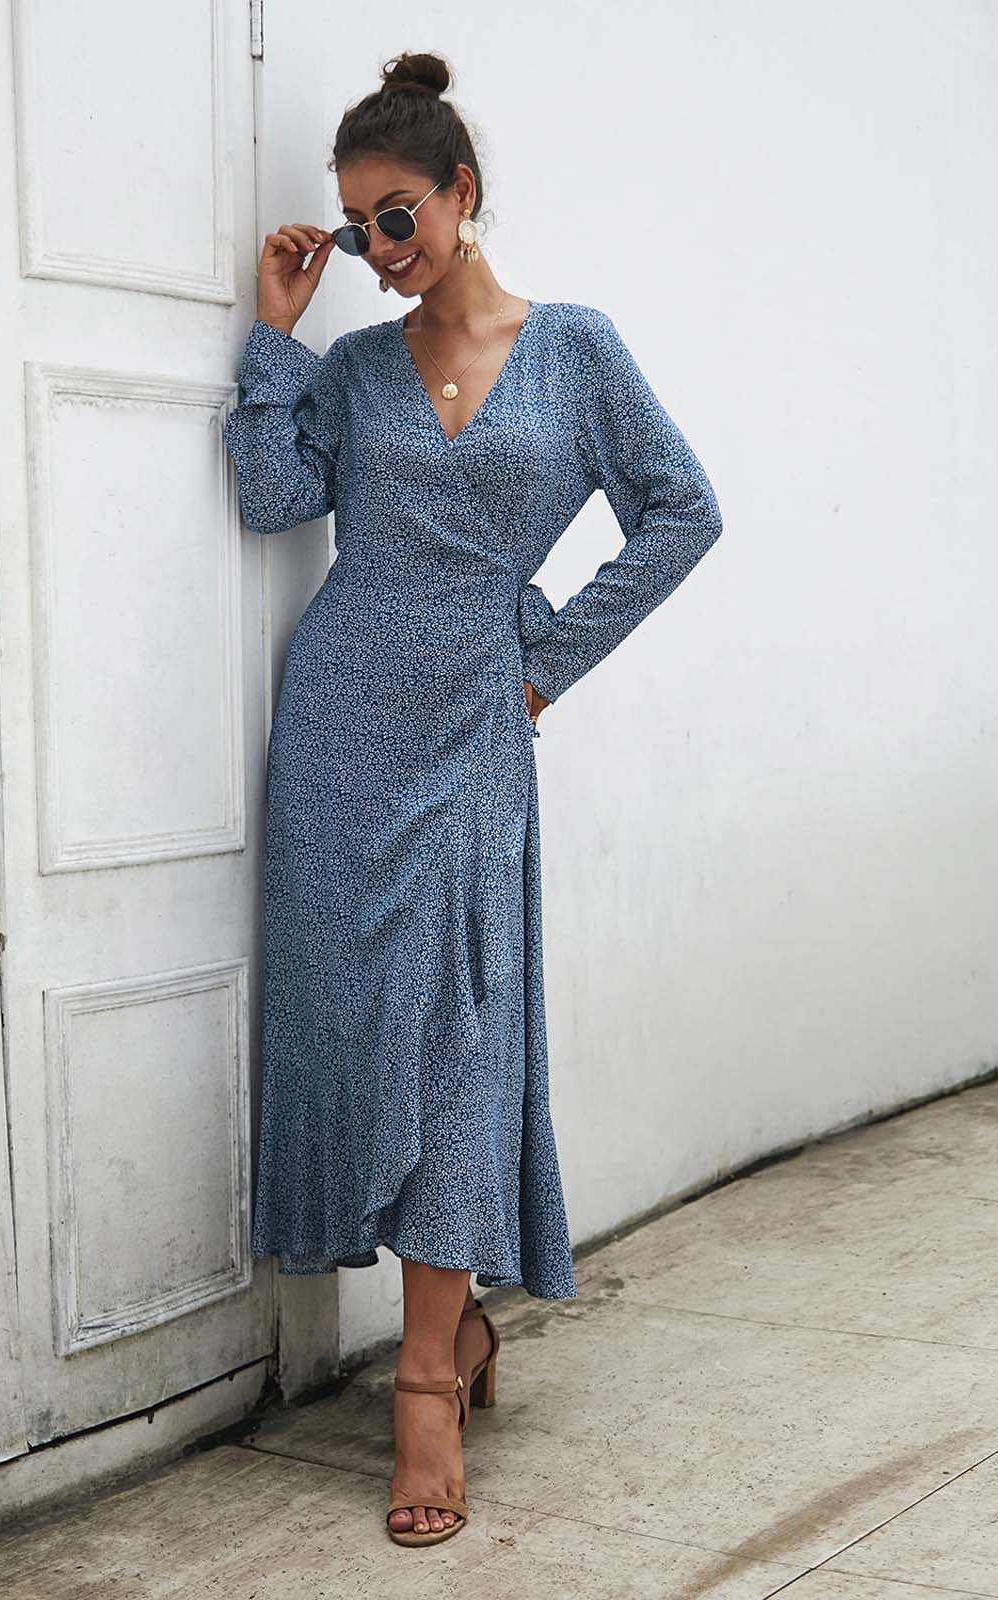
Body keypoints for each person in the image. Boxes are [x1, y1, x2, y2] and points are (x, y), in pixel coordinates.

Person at [222, 49, 723, 1548]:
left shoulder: (575, 350)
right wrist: (275, 337)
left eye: (400, 216)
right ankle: (461, 1329)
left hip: (472, 736)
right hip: (337, 730)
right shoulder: (353, 368)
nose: (382, 248)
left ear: (462, 193)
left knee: (457, 1028)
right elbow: (272, 499)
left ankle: (426, 1379)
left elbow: (684, 510)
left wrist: (546, 665)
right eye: (357, 224)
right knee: (352, 1033)